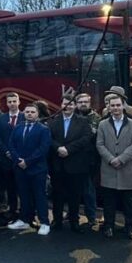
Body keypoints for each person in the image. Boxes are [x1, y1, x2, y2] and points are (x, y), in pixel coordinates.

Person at [95, 94, 132, 239]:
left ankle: (129, 227)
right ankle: (109, 226)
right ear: (109, 108)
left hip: (127, 168)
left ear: (123, 106)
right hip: (108, 168)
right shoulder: (102, 125)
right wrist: (111, 159)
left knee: (129, 202)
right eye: (112, 105)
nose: (115, 108)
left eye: (118, 105)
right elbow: (99, 144)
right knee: (109, 201)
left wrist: (121, 159)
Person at [47, 96, 95, 233]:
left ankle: (74, 221)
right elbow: (49, 138)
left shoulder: (83, 121)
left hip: (76, 164)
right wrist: (58, 148)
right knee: (57, 195)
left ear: (74, 106)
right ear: (61, 105)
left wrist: (68, 149)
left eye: (70, 104)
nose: (67, 106)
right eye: (65, 104)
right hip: (58, 165)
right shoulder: (53, 122)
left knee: (75, 195)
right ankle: (57, 220)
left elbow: (86, 138)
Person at [7, 104, 52, 235]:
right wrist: (18, 160)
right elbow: (11, 144)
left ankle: (44, 222)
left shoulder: (43, 129)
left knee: (40, 195)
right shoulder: (18, 127)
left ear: (37, 114)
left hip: (37, 169)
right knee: (23, 195)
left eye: (32, 112)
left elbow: (43, 148)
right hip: (20, 168)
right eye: (27, 112)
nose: (30, 114)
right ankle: (25, 219)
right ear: (24, 113)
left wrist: (28, 161)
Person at [0, 92, 23, 220]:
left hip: (22, 159)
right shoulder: (1, 118)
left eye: (14, 101)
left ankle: (26, 212)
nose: (12, 104)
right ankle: (12, 211)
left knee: (23, 188)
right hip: (6, 159)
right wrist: (6, 151)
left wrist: (17, 153)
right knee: (10, 188)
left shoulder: (25, 116)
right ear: (6, 103)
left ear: (19, 102)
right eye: (9, 102)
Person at [74, 92, 101, 228]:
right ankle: (72, 214)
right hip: (73, 157)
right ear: (76, 104)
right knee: (72, 189)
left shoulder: (96, 118)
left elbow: (93, 135)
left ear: (90, 103)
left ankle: (91, 216)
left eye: (85, 102)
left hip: (89, 158)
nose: (83, 104)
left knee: (88, 189)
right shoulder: (72, 116)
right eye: (80, 102)